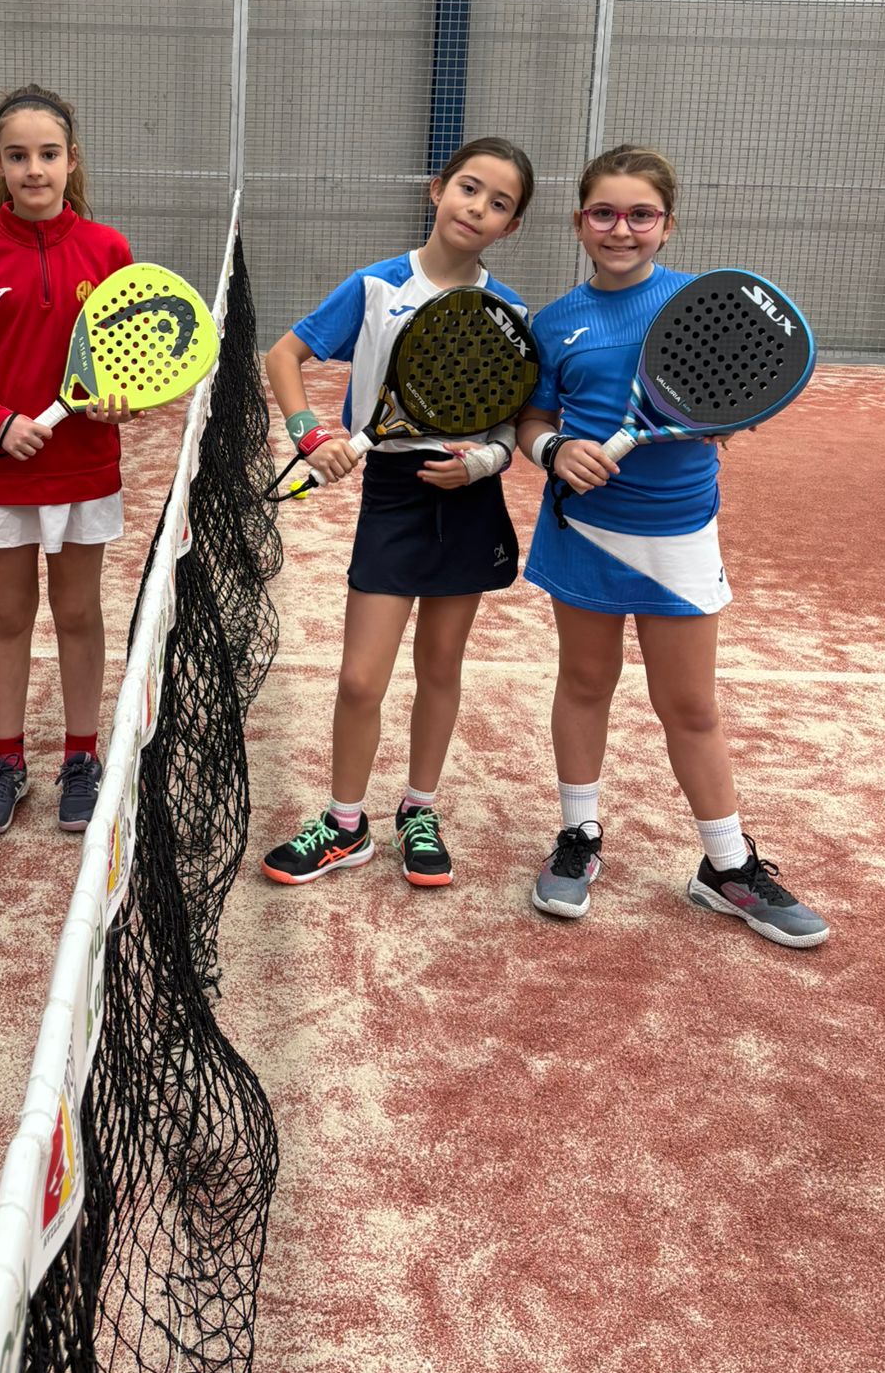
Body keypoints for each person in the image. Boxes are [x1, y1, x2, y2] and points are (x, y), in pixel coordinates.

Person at [516, 144, 828, 948]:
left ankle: (726, 866)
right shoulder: (554, 322)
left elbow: (747, 385)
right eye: (604, 213)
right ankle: (579, 837)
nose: (622, 229)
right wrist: (554, 449)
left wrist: (729, 418)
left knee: (689, 706)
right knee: (585, 682)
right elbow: (533, 419)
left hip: (680, 533)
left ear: (668, 224)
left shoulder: (702, 303)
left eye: (641, 214)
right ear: (579, 222)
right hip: (584, 530)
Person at [260, 136, 535, 891]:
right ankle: (346, 825)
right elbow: (283, 357)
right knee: (360, 679)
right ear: (437, 189)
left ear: (511, 226)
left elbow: (510, 427)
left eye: (499, 203)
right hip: (391, 492)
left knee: (440, 666)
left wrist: (482, 463)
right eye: (469, 188)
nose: (477, 208)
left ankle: (419, 811)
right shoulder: (376, 285)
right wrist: (310, 435)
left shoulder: (509, 312)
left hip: (468, 498)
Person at [0, 84, 136, 839]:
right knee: (10, 616)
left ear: (72, 160)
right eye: (18, 156)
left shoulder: (109, 250)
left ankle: (81, 758)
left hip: (83, 468)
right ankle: (7, 762)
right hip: (1, 472)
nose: (34, 169)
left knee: (78, 614)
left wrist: (122, 403)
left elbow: (129, 356)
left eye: (48, 154)